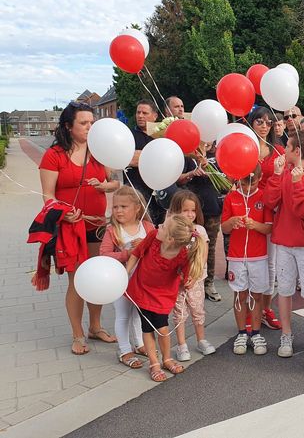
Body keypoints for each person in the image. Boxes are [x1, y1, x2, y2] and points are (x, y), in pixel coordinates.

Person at [39, 101, 120, 355]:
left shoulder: (99, 150)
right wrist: (64, 214)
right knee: (77, 280)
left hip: (96, 225)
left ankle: (95, 327)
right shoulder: (54, 155)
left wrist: (103, 187)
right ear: (68, 126)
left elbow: (114, 183)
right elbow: (47, 195)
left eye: (92, 123)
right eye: (83, 123)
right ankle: (77, 333)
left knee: (96, 275)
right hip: (69, 227)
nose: (89, 128)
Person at [125, 214, 205, 382]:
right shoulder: (153, 236)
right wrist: (125, 273)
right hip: (141, 290)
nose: (158, 225)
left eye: (162, 226)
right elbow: (137, 253)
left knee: (162, 328)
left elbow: (187, 275)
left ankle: (166, 358)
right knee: (147, 327)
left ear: (169, 238)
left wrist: (189, 280)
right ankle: (154, 363)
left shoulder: (182, 254)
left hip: (162, 296)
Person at [264, 131, 304, 358]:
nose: (284, 151)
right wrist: (277, 175)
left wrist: (298, 184)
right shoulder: (285, 173)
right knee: (285, 290)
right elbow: (270, 202)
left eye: (287, 147)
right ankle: (286, 334)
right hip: (284, 243)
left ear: (297, 151)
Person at [99, 186, 155, 369]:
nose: (118, 211)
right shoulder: (112, 230)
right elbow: (104, 255)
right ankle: (124, 350)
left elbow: (157, 249)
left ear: (137, 208)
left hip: (143, 280)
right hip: (121, 280)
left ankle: (139, 343)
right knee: (123, 315)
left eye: (124, 206)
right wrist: (128, 252)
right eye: (115, 207)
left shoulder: (147, 227)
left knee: (139, 313)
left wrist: (146, 247)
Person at [221, 164, 273, 356]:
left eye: (252, 183)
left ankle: (256, 333)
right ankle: (242, 333)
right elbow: (224, 228)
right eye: (243, 183)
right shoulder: (231, 197)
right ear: (238, 180)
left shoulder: (264, 197)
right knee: (240, 295)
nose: (247, 187)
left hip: (258, 255)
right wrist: (232, 222)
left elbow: (268, 228)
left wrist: (255, 225)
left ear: (259, 180)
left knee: (257, 295)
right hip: (236, 255)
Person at [169, 190, 216, 361]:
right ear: (175, 211)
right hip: (177, 280)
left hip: (195, 279)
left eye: (193, 210)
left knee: (197, 309)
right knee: (179, 312)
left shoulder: (200, 230)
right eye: (185, 210)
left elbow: (203, 256)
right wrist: (180, 276)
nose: (190, 214)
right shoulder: (171, 231)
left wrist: (194, 277)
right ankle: (181, 344)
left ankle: (201, 339)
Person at [248, 106, 284, 330]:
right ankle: (250, 309)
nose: (264, 126)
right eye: (259, 121)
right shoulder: (244, 147)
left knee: (271, 264)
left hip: (271, 211)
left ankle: (265, 309)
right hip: (248, 208)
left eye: (268, 122)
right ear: (251, 123)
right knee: (250, 262)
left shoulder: (279, 150)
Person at [179, 142, 224, 303]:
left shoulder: (218, 155)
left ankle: (208, 284)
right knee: (188, 245)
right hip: (190, 210)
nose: (205, 144)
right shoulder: (186, 156)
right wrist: (192, 172)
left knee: (209, 247)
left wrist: (210, 169)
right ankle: (187, 280)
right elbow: (178, 179)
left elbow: (227, 179)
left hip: (212, 207)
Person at [123, 100, 166, 226]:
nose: (140, 115)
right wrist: (155, 158)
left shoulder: (161, 137)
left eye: (145, 113)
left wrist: (142, 157)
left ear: (155, 116)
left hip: (159, 196)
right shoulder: (129, 136)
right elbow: (130, 159)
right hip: (136, 194)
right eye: (138, 112)